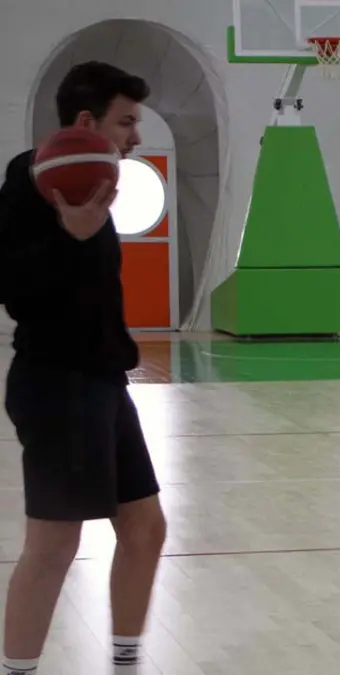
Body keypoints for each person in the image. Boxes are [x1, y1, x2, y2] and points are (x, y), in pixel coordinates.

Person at [0, 62, 166, 675]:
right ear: (87, 121)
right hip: (54, 384)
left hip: (101, 382)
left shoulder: (99, 180)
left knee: (145, 529)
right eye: (126, 122)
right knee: (53, 544)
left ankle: (126, 663)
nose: (136, 136)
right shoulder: (33, 177)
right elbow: (9, 284)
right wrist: (66, 237)